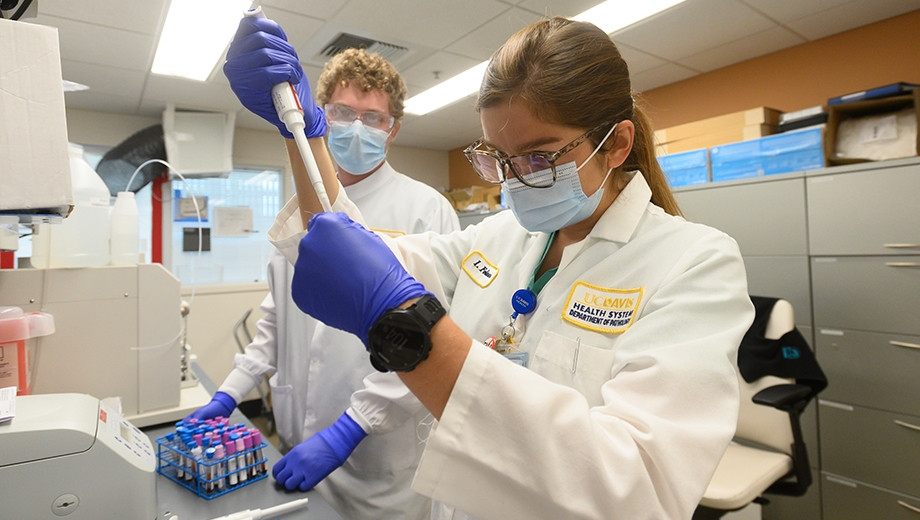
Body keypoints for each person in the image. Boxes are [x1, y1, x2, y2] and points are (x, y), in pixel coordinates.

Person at [226, 14, 756, 520]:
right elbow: (345, 256)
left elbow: (638, 490)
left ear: (615, 144)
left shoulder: (694, 263)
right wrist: (302, 133)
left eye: (539, 157)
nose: (514, 182)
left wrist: (411, 332)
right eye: (499, 159)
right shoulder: (504, 236)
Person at [188, 43, 459, 520]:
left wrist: (350, 428)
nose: (357, 127)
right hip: (297, 438)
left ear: (392, 129)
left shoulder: (426, 210)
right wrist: (231, 389)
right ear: (319, 115)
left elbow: (435, 340)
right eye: (341, 112)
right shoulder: (301, 206)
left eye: (373, 117)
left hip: (380, 458)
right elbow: (277, 316)